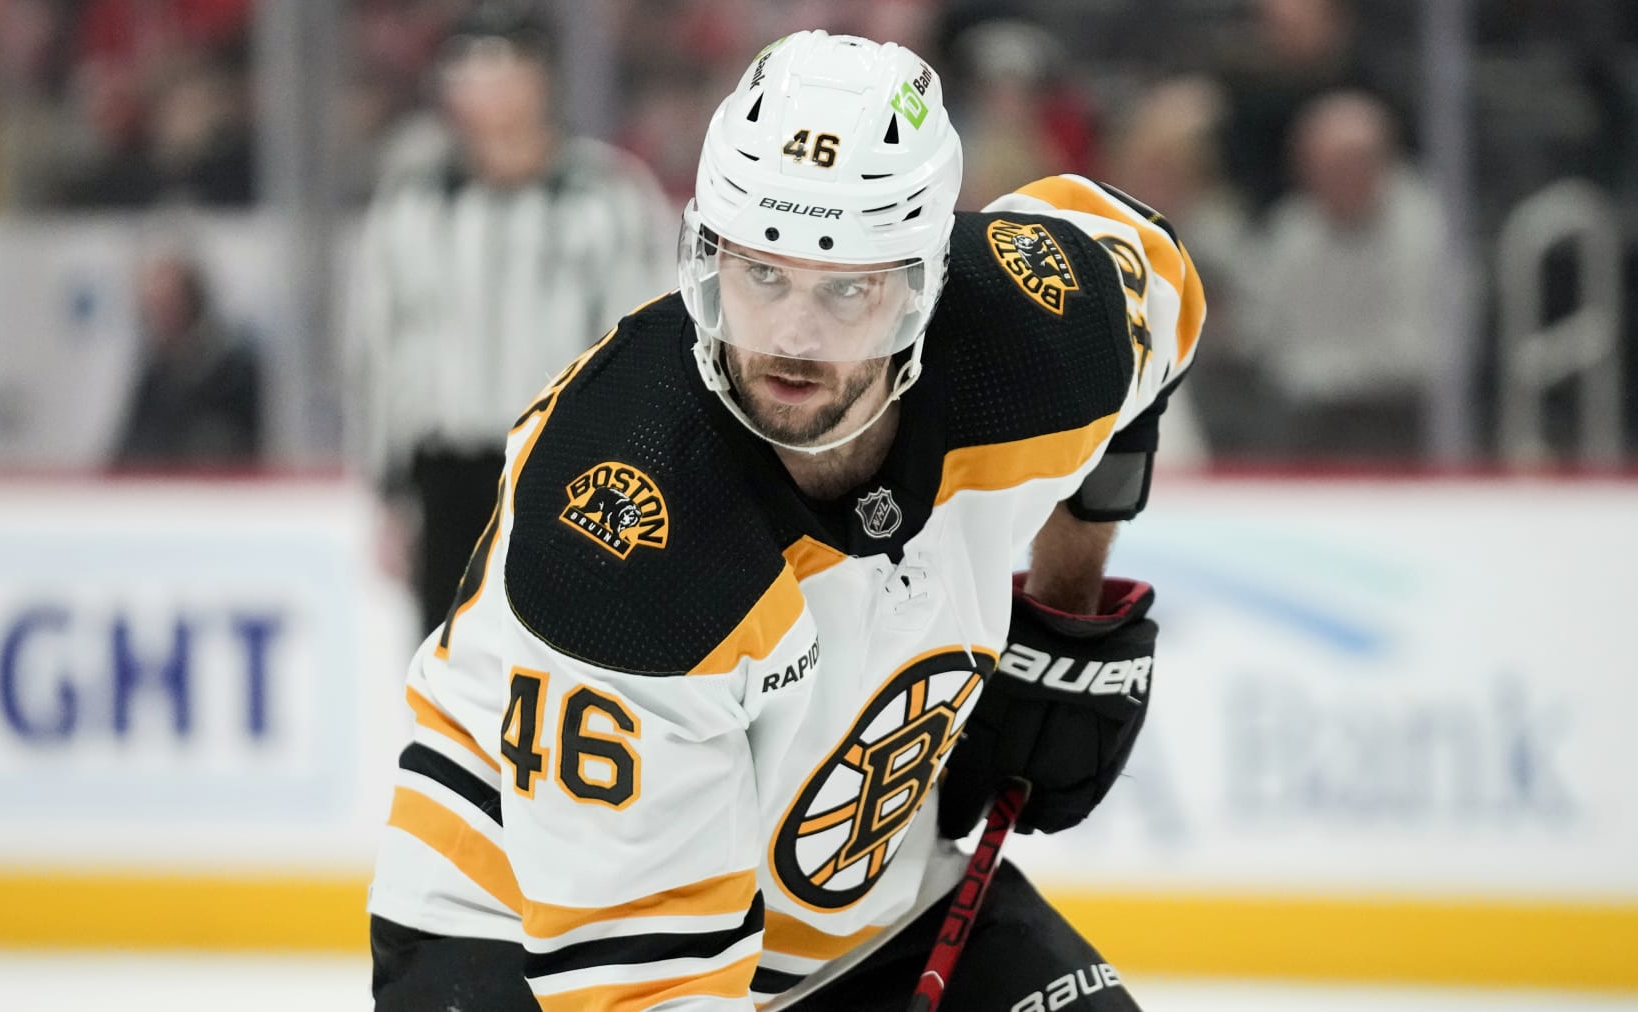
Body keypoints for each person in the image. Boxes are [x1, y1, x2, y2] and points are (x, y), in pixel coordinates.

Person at [367, 29, 1205, 1011]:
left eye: (847, 288)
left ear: (923, 283)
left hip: (864, 908)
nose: (794, 340)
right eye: (761, 275)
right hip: (525, 929)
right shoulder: (628, 535)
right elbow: (645, 993)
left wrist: (1064, 599)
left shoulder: (1040, 327)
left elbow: (1156, 272)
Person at [347, 0, 674, 636]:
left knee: (564, 668)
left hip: (569, 474)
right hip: (447, 476)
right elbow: (379, 353)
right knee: (449, 680)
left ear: (540, 76)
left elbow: (645, 349)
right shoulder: (411, 206)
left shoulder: (605, 197)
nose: (479, 86)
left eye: (498, 65)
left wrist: (640, 474)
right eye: (464, 67)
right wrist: (387, 494)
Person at [1243, 89, 1444, 461]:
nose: (1335, 180)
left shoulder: (1425, 230)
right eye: (1321, 169)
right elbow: (1263, 332)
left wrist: (1318, 370)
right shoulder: (1292, 229)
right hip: (1304, 413)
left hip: (1394, 416)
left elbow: (1416, 353)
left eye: (1349, 165)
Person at [110, 250, 263, 469]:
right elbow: (128, 450)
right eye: (152, 306)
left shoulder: (231, 371)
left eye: (167, 302)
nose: (159, 316)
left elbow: (235, 448)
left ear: (191, 298)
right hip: (156, 495)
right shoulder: (155, 373)